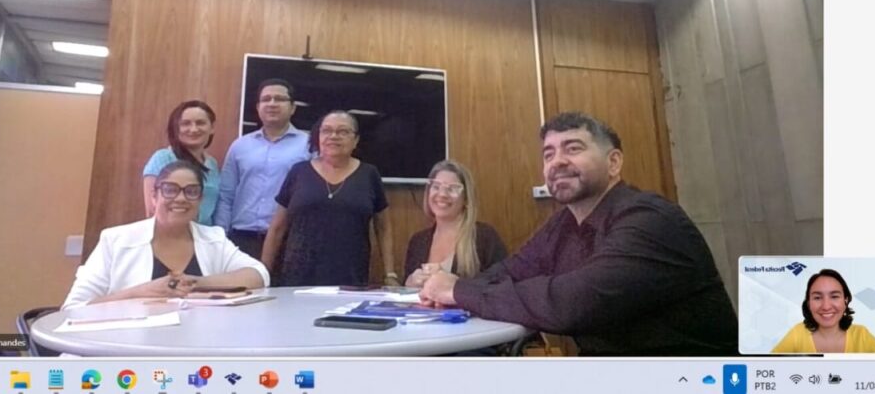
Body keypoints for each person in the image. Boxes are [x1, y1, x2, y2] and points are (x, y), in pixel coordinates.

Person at [419, 111, 738, 356]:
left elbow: (571, 303)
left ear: (614, 163)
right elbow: (510, 271)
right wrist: (453, 289)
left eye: (573, 148)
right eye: (548, 154)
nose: (557, 161)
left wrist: (458, 290)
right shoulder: (563, 224)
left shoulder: (650, 219)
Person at [64, 161, 268, 309]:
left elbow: (259, 274)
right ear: (154, 196)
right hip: (126, 350)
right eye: (170, 190)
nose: (181, 198)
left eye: (191, 191)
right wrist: (139, 292)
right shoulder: (115, 240)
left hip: (199, 348)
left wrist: (196, 283)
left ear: (200, 200)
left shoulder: (214, 238)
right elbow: (73, 308)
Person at [261, 110, 398, 287]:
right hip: (298, 278)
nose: (333, 136)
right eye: (326, 130)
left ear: (356, 140)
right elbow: (277, 228)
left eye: (343, 131)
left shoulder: (369, 174)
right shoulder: (299, 172)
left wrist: (390, 274)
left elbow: (383, 228)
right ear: (318, 137)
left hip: (351, 277)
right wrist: (263, 274)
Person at [213, 79, 310, 259]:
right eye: (266, 99)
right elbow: (226, 195)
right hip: (242, 239)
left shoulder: (309, 146)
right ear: (258, 107)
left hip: (287, 240)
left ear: (293, 108)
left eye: (279, 99)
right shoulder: (240, 146)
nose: (272, 104)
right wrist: (221, 237)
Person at [404, 160, 507, 288]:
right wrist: (408, 284)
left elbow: (502, 287)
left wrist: (457, 285)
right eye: (436, 187)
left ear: (466, 199)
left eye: (452, 189)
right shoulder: (417, 241)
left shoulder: (485, 237)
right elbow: (403, 296)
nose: (442, 194)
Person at [772, 269, 875, 353]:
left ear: (845, 300)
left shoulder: (861, 335)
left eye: (834, 296)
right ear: (808, 303)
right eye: (817, 297)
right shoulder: (797, 334)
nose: (826, 306)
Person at [142, 100, 220, 225]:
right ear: (176, 128)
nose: (193, 129)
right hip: (172, 233)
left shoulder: (212, 164)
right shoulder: (162, 158)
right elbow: (152, 210)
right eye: (185, 123)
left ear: (212, 128)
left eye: (200, 123)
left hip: (206, 234)